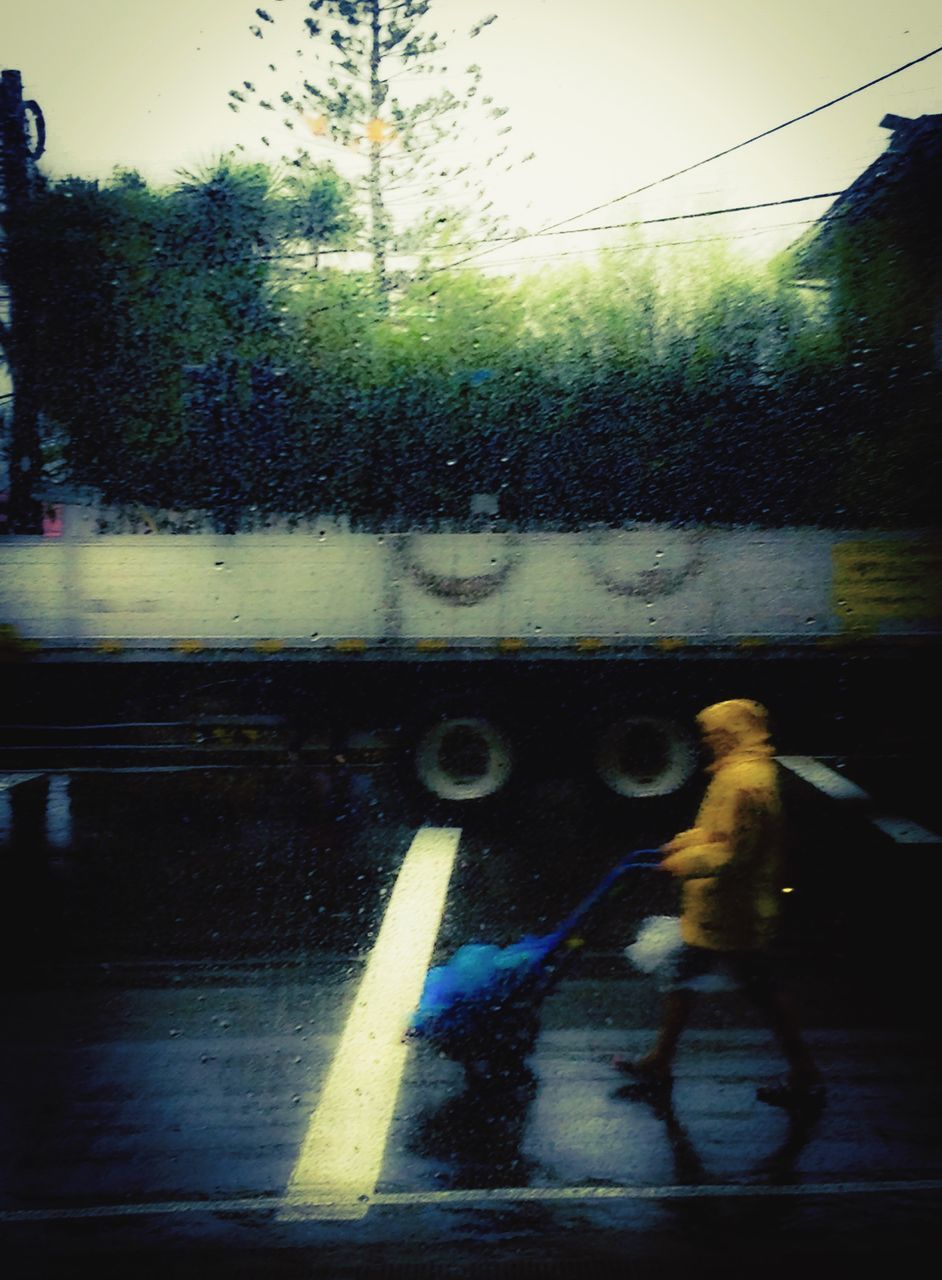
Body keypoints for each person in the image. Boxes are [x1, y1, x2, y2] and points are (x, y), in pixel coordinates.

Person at [613, 698, 825, 1112]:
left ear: (732, 734)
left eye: (713, 735)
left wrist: (680, 864)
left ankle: (804, 1074)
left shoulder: (747, 783)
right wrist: (681, 844)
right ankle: (659, 1060)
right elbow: (715, 833)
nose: (708, 743)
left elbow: (733, 853)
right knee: (686, 978)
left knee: (755, 991)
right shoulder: (737, 774)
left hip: (734, 910)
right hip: (721, 907)